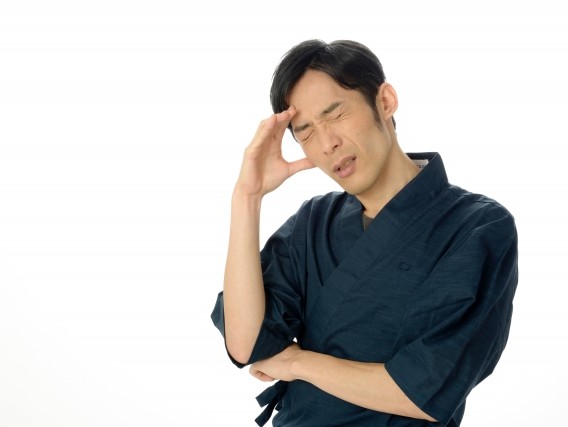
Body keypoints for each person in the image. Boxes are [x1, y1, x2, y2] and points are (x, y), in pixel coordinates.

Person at [210, 39, 518, 427]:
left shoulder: (477, 227)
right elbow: (246, 344)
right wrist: (247, 197)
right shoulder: (315, 220)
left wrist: (297, 362)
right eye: (306, 132)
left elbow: (426, 389)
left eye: (335, 114)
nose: (327, 143)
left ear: (384, 102)